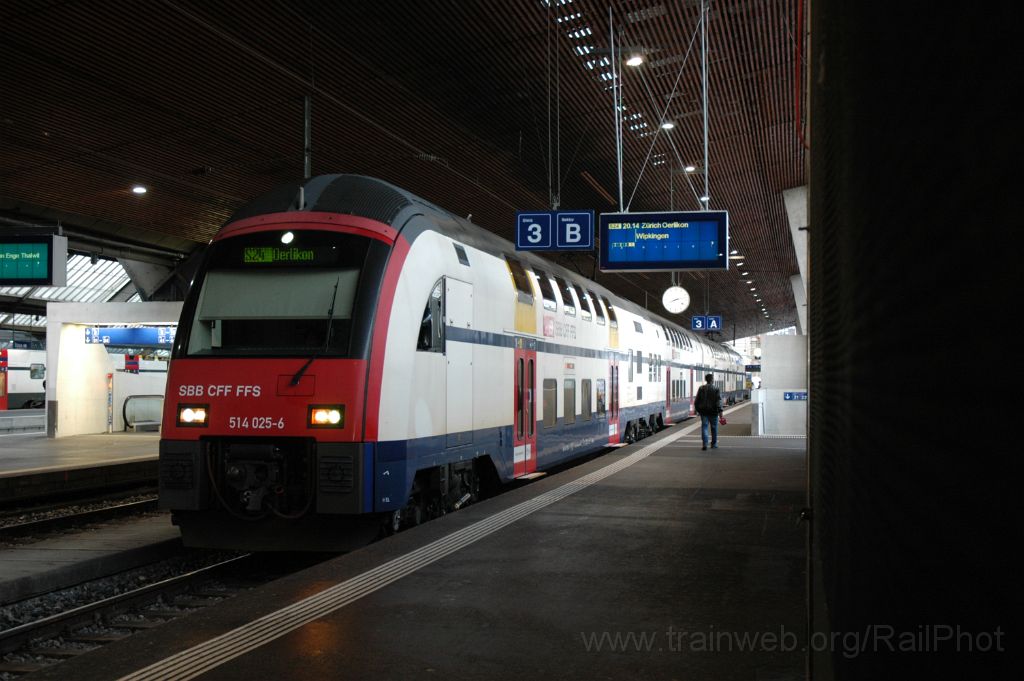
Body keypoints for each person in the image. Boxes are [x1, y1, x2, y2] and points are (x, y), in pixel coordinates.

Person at [694, 373, 722, 450]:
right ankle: (714, 444)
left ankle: (705, 444)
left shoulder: (701, 388)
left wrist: (699, 410)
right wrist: (720, 412)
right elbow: (719, 401)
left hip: (704, 412)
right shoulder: (716, 389)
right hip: (714, 412)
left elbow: (696, 401)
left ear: (706, 380)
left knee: (704, 427)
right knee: (714, 428)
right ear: (712, 380)